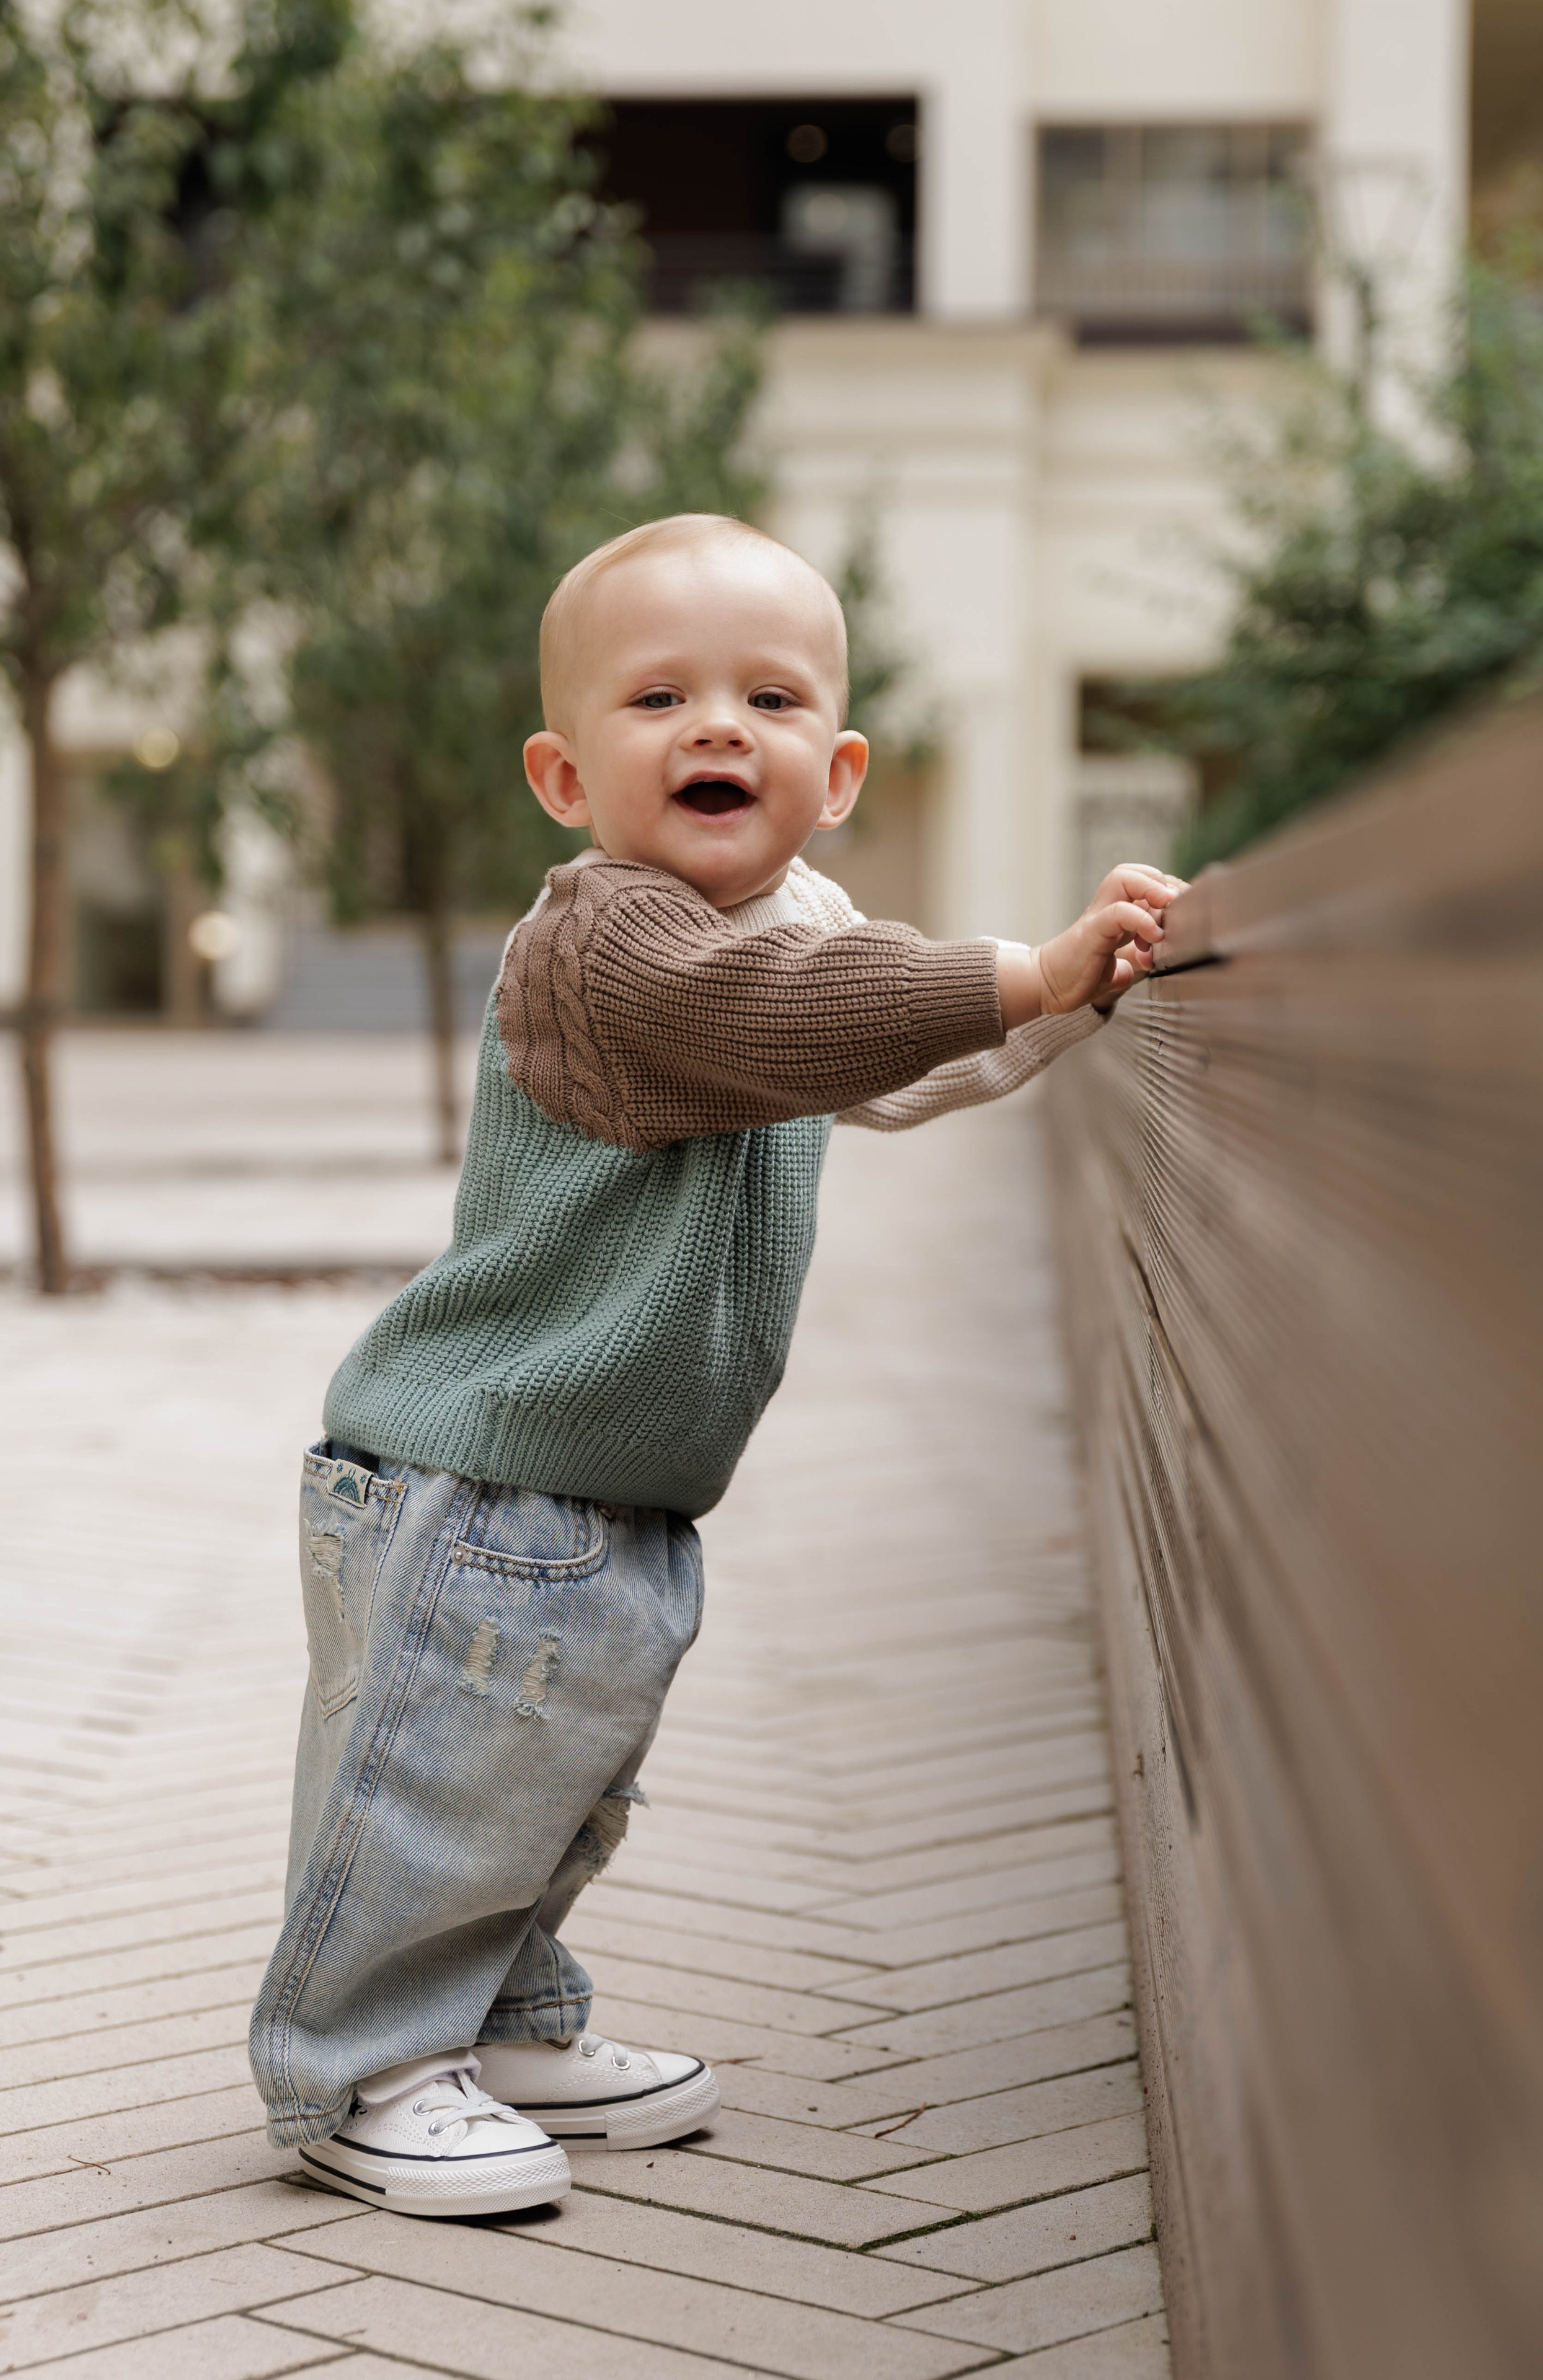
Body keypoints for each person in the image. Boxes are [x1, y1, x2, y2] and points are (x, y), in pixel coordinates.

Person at [248, 512, 1183, 2218]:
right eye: (658, 695)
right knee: (444, 1784)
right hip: (484, 1472)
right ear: (560, 774)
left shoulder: (795, 928)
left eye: (766, 697)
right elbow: (804, 1020)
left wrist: (1071, 1003)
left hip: (610, 1482)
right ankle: (358, 2066)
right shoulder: (610, 941)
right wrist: (1018, 967)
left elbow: (890, 1064)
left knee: (551, 1786)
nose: (715, 728)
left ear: (835, 772)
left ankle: (504, 2022)